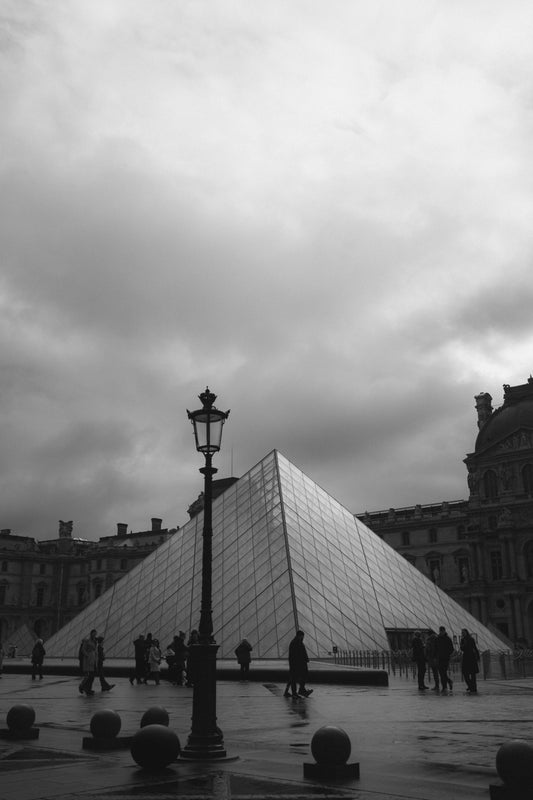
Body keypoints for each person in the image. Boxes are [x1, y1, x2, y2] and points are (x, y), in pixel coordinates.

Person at [285, 630, 313, 698]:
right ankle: (298, 691)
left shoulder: (295, 642)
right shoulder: (296, 642)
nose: (303, 638)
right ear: (300, 636)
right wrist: (305, 659)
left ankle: (290, 692)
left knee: (293, 678)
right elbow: (300, 653)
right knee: (296, 678)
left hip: (296, 663)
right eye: (302, 636)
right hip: (298, 664)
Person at [435, 625, 454, 693]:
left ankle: (444, 687)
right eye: (440, 631)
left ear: (444, 631)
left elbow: (451, 649)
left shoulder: (448, 639)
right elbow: (435, 648)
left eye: (442, 631)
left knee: (443, 672)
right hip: (439, 658)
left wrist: (447, 654)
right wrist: (436, 656)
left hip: (445, 658)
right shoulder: (437, 639)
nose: (441, 632)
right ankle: (448, 682)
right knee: (441, 672)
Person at [460, 628, 480, 693]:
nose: (462, 633)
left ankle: (474, 688)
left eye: (463, 632)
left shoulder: (471, 639)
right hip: (466, 657)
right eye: (462, 632)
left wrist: (478, 656)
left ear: (466, 632)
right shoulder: (462, 640)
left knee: (473, 674)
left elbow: (475, 648)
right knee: (465, 674)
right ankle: (471, 686)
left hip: (471, 657)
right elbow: (461, 648)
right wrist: (464, 645)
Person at [79, 629, 98, 695]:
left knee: (92, 676)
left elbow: (95, 650)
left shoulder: (95, 642)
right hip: (88, 660)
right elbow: (83, 649)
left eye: (95, 634)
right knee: (89, 676)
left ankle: (88, 689)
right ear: (91, 634)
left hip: (93, 659)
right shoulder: (87, 641)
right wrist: (87, 655)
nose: (95, 635)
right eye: (94, 634)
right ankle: (83, 687)